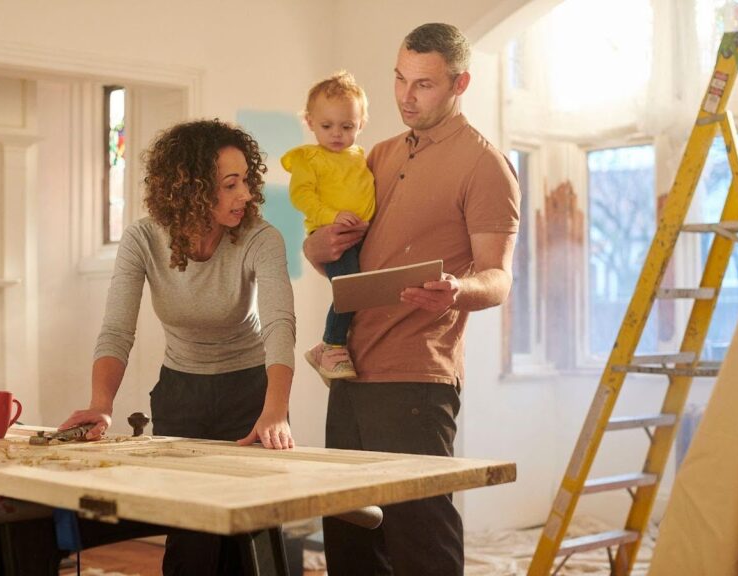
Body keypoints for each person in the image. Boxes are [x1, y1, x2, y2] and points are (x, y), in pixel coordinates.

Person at [303, 23, 520, 576]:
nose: (405, 95)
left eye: (423, 84)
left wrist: (455, 291)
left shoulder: (485, 165)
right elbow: (337, 257)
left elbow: (498, 278)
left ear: (459, 83)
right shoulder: (374, 153)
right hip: (349, 371)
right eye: (399, 79)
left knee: (419, 537)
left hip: (417, 377)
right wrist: (317, 245)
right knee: (349, 538)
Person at [60, 119, 296, 575]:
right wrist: (101, 404)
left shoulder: (261, 238)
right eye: (231, 184)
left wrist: (277, 410)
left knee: (255, 542)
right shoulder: (143, 239)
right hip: (180, 394)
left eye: (246, 180)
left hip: (250, 393)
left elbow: (279, 325)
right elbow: (116, 330)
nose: (245, 194)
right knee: (191, 546)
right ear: (190, 189)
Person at [281, 71, 376, 382]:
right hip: (331, 233)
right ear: (309, 122)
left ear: (361, 123)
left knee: (362, 290)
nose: (337, 133)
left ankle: (336, 345)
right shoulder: (308, 158)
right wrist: (331, 216)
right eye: (327, 126)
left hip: (361, 234)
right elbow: (301, 196)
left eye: (347, 126)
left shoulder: (360, 156)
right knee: (350, 289)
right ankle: (331, 344)